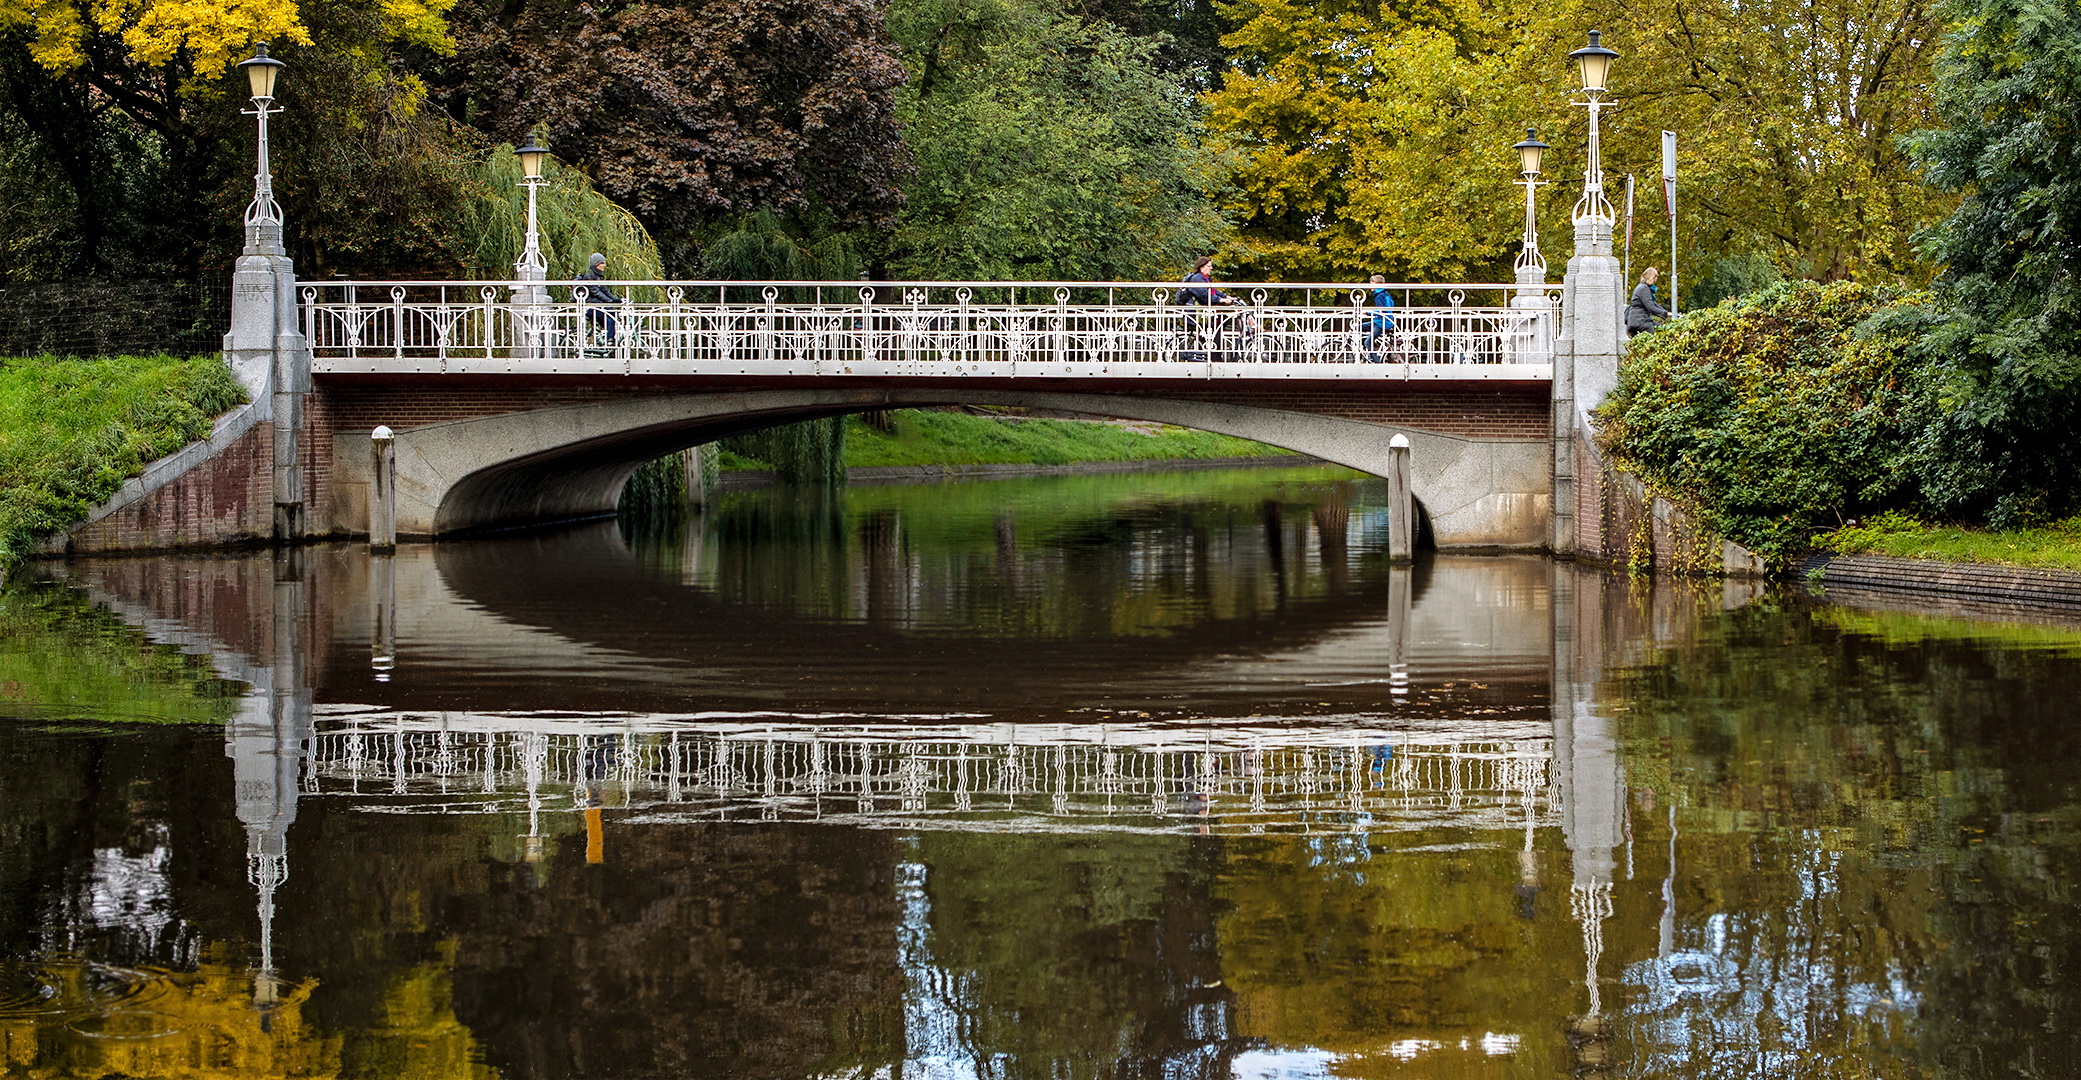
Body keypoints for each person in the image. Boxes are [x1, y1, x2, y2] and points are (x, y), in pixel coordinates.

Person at [1178, 255, 1239, 361]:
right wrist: (1221, 300)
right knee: (1217, 326)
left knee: (1218, 324)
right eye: (1209, 266)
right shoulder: (1197, 279)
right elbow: (1204, 295)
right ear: (1202, 267)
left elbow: (1213, 291)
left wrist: (1226, 296)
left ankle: (1212, 353)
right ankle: (1214, 356)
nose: (1211, 268)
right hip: (1196, 314)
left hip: (1202, 313)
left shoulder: (1204, 279)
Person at [573, 252, 620, 346]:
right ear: (595, 264)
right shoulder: (589, 275)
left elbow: (604, 290)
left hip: (596, 305)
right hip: (590, 306)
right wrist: (610, 301)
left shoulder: (597, 275)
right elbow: (595, 291)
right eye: (602, 263)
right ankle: (609, 340)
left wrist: (616, 300)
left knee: (611, 319)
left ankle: (607, 341)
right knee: (612, 315)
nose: (604, 265)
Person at [1626, 266, 1670, 338]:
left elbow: (1653, 303)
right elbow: (1651, 307)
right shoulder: (1644, 288)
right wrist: (1665, 314)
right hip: (1640, 321)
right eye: (1654, 278)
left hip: (1636, 320)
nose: (1655, 281)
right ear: (1650, 277)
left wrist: (1665, 312)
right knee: (1661, 334)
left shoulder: (1641, 287)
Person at [1363, 273, 1397, 362]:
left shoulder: (1379, 296)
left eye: (1372, 283)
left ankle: (1376, 362)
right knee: (1358, 327)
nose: (1370, 285)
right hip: (1382, 321)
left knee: (1367, 342)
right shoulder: (1385, 294)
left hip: (1383, 323)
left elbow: (1381, 311)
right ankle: (1367, 353)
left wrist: (1369, 313)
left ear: (1378, 284)